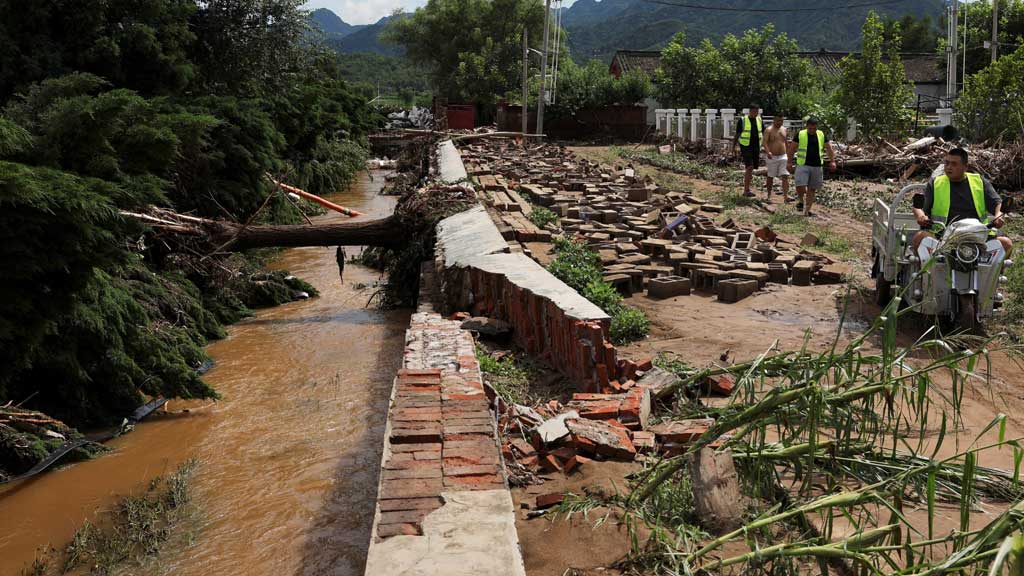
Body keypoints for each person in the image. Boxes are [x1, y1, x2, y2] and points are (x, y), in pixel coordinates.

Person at [912, 148, 1012, 255]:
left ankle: (991, 272)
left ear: (965, 167)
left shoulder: (979, 181)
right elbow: (918, 207)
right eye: (947, 163)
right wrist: (921, 216)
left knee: (1006, 244)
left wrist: (999, 216)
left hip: (978, 236)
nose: (949, 167)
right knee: (920, 238)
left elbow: (997, 203)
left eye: (954, 164)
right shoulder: (936, 183)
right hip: (941, 236)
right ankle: (924, 271)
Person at [787, 117, 836, 217]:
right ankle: (801, 200)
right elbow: (791, 149)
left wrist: (832, 161)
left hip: (817, 165)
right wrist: (789, 162)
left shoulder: (821, 134)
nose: (812, 131)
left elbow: (829, 148)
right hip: (802, 164)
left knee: (812, 188)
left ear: (816, 127)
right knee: (800, 185)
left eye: (814, 129)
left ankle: (806, 211)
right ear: (807, 126)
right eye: (810, 128)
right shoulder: (800, 134)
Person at [733, 105, 763, 197]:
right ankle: (746, 190)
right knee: (749, 167)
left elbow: (764, 132)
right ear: (750, 111)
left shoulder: (759, 120)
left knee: (752, 167)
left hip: (756, 147)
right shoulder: (742, 120)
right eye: (754, 111)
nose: (756, 114)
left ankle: (747, 187)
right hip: (745, 146)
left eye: (757, 112)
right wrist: (733, 147)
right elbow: (737, 134)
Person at [762, 115, 789, 203]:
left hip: (783, 156)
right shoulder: (768, 130)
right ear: (774, 120)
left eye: (781, 121)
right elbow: (764, 142)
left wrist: (789, 154)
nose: (779, 123)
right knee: (770, 176)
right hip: (772, 156)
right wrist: (768, 151)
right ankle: (769, 195)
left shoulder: (784, 129)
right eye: (778, 121)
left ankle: (786, 196)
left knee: (785, 176)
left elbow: (785, 142)